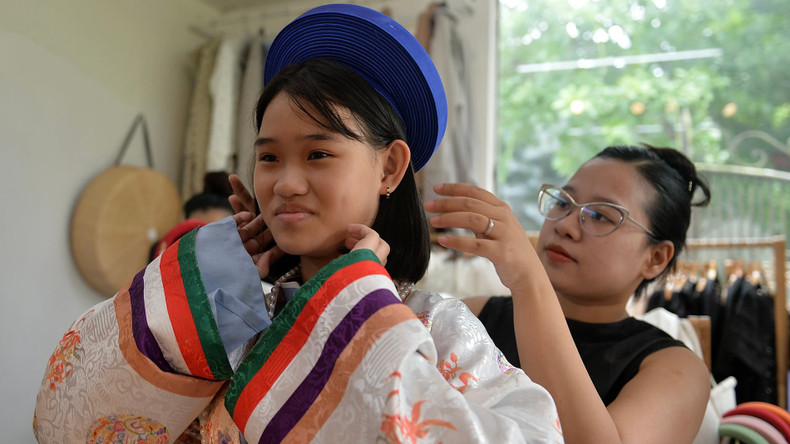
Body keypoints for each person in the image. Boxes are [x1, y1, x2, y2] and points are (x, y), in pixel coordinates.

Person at [33, 5, 563, 443]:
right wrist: (204, 287)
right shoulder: (231, 315)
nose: (285, 183)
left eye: (318, 155)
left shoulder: (436, 325)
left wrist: (360, 312)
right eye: (268, 158)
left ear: (391, 167)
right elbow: (69, 424)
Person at [426, 144, 712, 444]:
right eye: (563, 202)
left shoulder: (675, 369)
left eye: (600, 215)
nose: (564, 226)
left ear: (655, 258)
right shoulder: (473, 317)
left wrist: (529, 280)